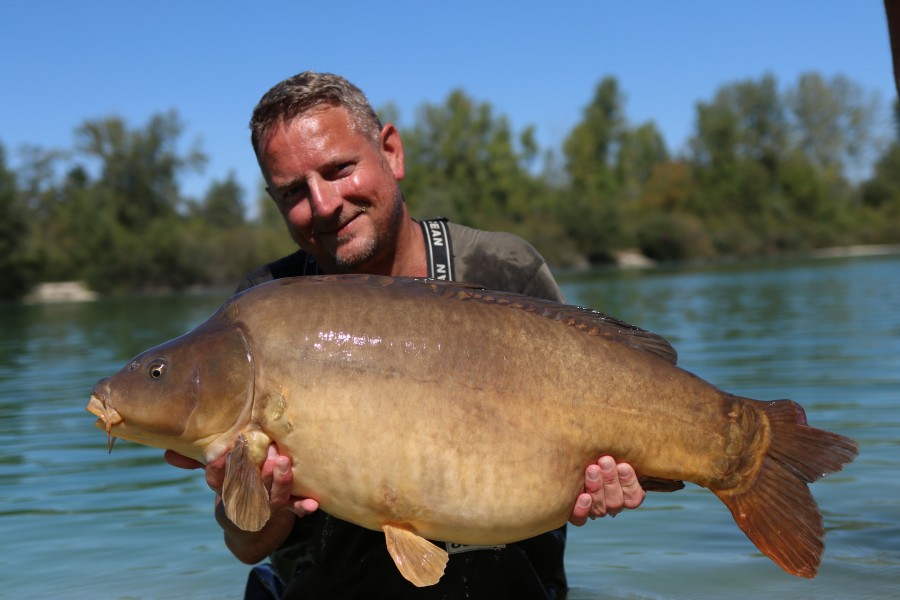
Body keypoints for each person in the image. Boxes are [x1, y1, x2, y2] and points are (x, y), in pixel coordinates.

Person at [166, 71, 646, 599]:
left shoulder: (503, 270)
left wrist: (602, 484)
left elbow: (592, 455)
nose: (324, 203)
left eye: (339, 169)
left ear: (390, 152)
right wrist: (261, 504)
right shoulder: (263, 309)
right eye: (294, 191)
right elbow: (246, 545)